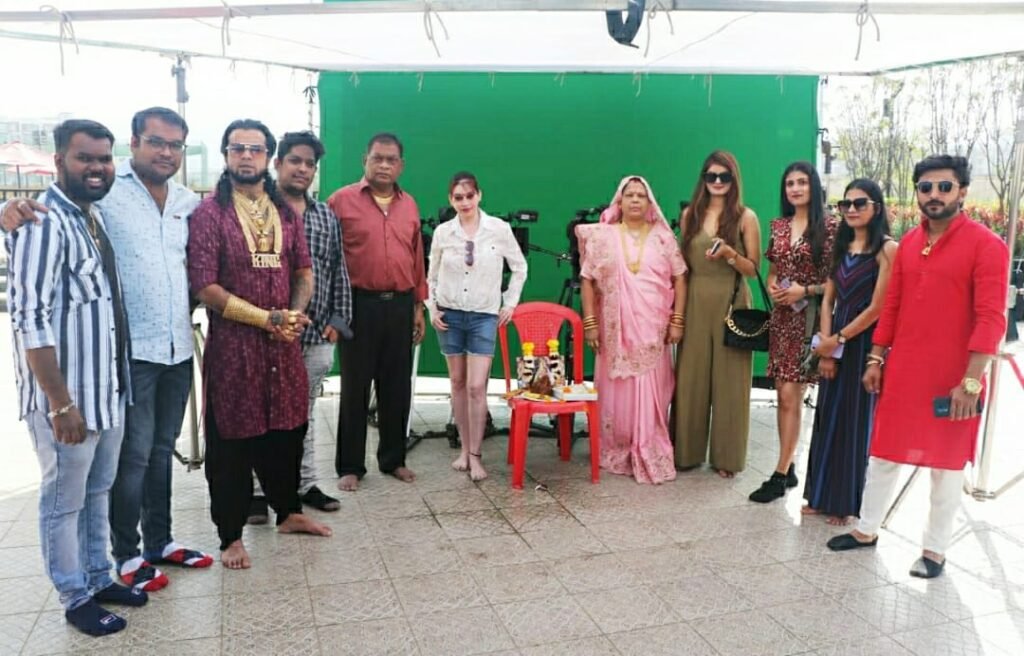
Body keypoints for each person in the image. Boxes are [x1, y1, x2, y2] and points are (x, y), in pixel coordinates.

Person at [0, 107, 213, 592]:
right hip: (127, 353)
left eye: (175, 145)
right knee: (129, 462)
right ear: (133, 144)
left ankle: (159, 541)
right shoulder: (105, 193)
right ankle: (126, 554)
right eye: (156, 142)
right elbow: (40, 220)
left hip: (176, 346)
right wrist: (6, 212)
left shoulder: (186, 201)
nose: (166, 152)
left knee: (160, 451)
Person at [827, 156, 1009, 579]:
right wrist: (876, 358)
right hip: (905, 371)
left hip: (955, 376)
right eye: (926, 188)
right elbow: (891, 306)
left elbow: (991, 319)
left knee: (945, 467)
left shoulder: (987, 246)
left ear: (962, 191)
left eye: (944, 187)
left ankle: (934, 550)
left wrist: (971, 381)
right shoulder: (908, 243)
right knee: (884, 453)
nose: (934, 195)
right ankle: (866, 530)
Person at [6, 119, 146, 636]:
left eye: (104, 159)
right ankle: (74, 595)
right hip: (69, 400)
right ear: (60, 160)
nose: (97, 168)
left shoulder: (91, 218)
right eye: (85, 157)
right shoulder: (42, 223)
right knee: (63, 501)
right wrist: (60, 403)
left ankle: (97, 575)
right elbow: (30, 320)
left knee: (98, 491)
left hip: (105, 392)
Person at [187, 119, 332, 570]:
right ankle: (231, 535)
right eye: (238, 149)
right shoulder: (210, 214)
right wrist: (265, 319)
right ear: (226, 155)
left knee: (288, 432)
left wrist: (294, 315)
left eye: (255, 149)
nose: (246, 156)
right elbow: (205, 286)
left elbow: (303, 272)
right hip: (235, 348)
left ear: (268, 156)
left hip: (283, 345)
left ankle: (288, 512)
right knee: (233, 441)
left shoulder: (285, 212)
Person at [248, 130, 352, 523]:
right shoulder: (256, 210)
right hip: (269, 333)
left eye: (310, 163)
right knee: (262, 412)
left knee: (302, 415)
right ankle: (258, 492)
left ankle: (304, 484)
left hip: (316, 335)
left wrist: (338, 321)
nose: (303, 169)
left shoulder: (325, 215)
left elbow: (338, 268)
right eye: (295, 160)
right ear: (277, 163)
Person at [327, 133, 427, 492]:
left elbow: (417, 258)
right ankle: (350, 465)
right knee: (355, 387)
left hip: (400, 304)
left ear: (401, 165)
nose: (384, 165)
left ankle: (393, 459)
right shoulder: (340, 201)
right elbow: (327, 258)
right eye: (377, 158)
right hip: (357, 305)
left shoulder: (409, 204)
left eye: (391, 160)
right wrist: (332, 312)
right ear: (365, 161)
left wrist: (418, 307)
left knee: (396, 386)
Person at [577, 176, 686, 485]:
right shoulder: (604, 236)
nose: (635, 200)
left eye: (641, 195)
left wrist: (678, 320)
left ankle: (648, 444)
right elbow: (587, 279)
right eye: (630, 195)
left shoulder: (663, 237)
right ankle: (618, 446)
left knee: (652, 388)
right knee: (617, 391)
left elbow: (680, 277)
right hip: (615, 329)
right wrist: (590, 323)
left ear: (650, 203)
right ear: (620, 201)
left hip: (653, 328)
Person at [802, 179, 897, 525]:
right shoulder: (840, 246)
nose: (852, 209)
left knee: (854, 422)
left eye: (860, 203)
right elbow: (828, 300)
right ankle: (819, 495)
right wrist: (827, 348)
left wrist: (838, 339)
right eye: (846, 204)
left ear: (876, 207)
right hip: (835, 339)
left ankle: (846, 503)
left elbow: (877, 308)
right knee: (826, 415)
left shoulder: (888, 249)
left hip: (864, 343)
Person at [426, 172, 528, 481]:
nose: (465, 202)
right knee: (457, 382)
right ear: (450, 200)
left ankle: (476, 455)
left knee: (476, 386)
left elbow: (519, 267)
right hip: (450, 314)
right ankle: (463, 450)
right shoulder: (444, 232)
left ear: (479, 195)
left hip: (484, 315)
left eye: (469, 196)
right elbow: (430, 274)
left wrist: (509, 303)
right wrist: (432, 307)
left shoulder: (498, 229)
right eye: (458, 197)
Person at [750, 161, 838, 503]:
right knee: (784, 394)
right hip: (783, 320)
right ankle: (787, 466)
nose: (796, 188)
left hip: (812, 321)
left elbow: (837, 281)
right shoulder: (779, 226)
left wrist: (805, 290)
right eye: (790, 183)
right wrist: (774, 285)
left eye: (802, 182)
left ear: (813, 186)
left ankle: (780, 472)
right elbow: (773, 270)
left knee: (791, 395)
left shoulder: (830, 227)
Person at [673, 151, 762, 477]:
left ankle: (727, 458)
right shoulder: (690, 215)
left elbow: (753, 268)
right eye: (712, 176)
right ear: (704, 179)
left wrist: (729, 254)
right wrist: (676, 313)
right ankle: (686, 453)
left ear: (734, 180)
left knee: (730, 381)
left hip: (732, 300)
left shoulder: (746, 217)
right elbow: (681, 266)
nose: (718, 182)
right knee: (691, 378)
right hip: (695, 298)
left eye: (725, 176)